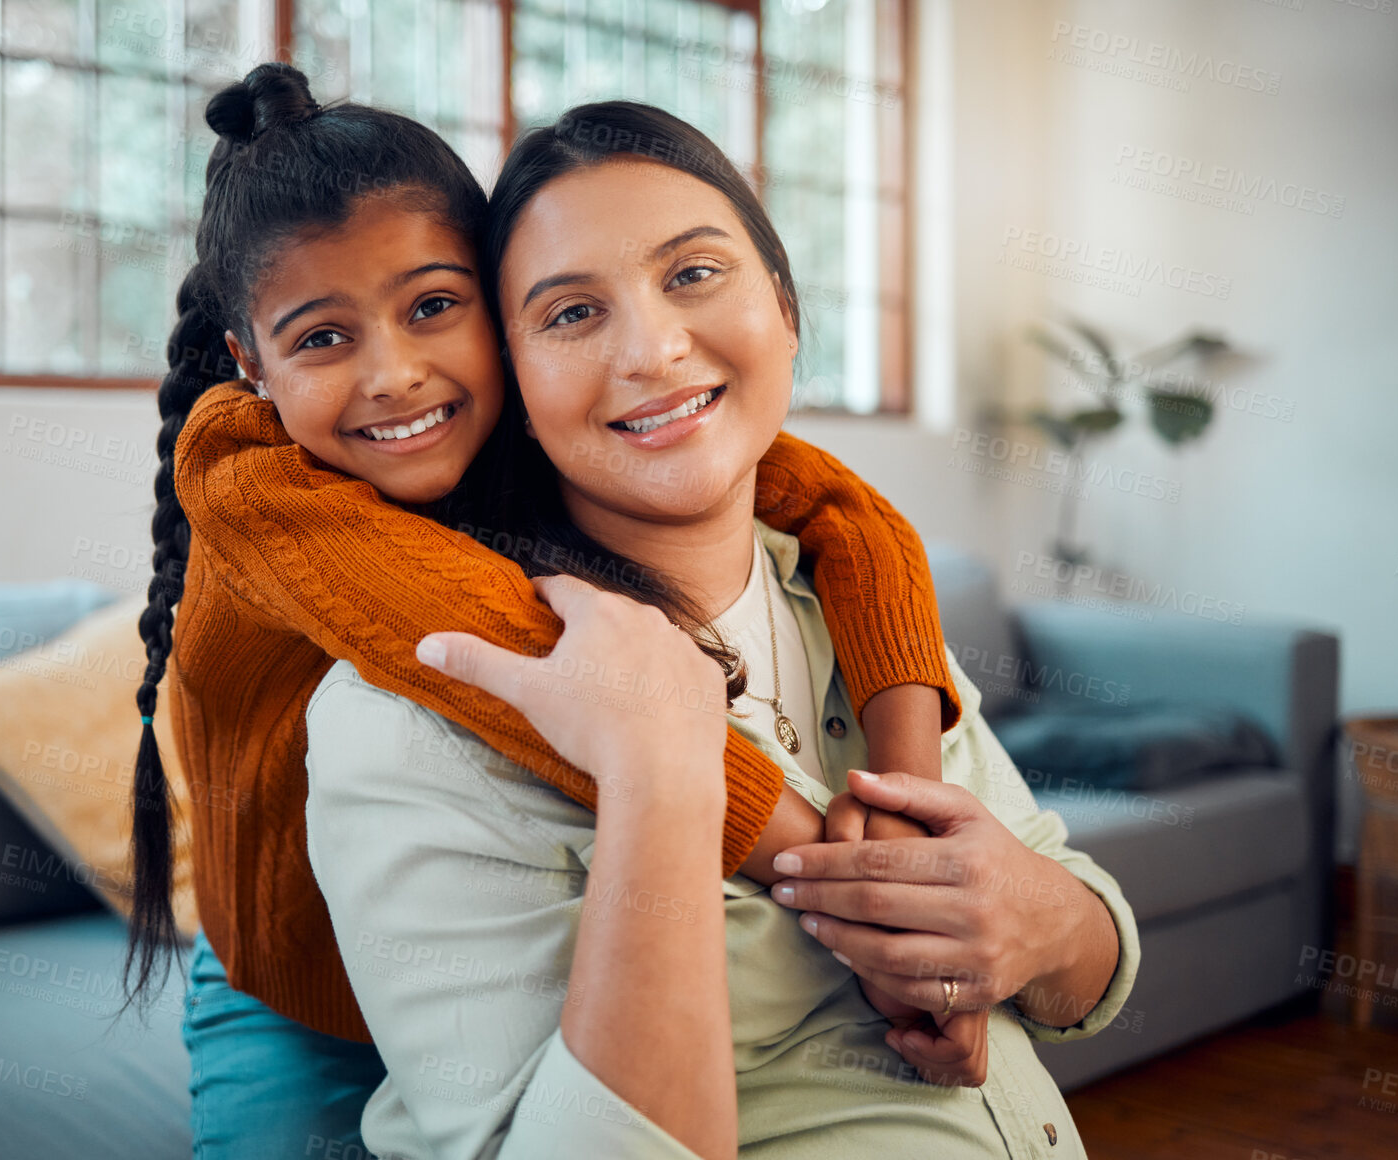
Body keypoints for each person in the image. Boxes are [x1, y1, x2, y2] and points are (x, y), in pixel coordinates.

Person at [128, 64, 986, 1156]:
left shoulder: (541, 426)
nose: (394, 373)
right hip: (294, 982)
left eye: (433, 307)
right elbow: (527, 665)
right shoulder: (253, 480)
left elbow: (843, 509)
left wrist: (906, 794)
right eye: (323, 338)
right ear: (250, 363)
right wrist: (854, 886)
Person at [300, 100, 1140, 1157]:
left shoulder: (859, 603)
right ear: (514, 385)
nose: (652, 348)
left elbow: (1086, 945)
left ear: (785, 308)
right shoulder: (409, 716)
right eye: (569, 313)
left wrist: (1041, 920)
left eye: (692, 272)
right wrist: (660, 776)